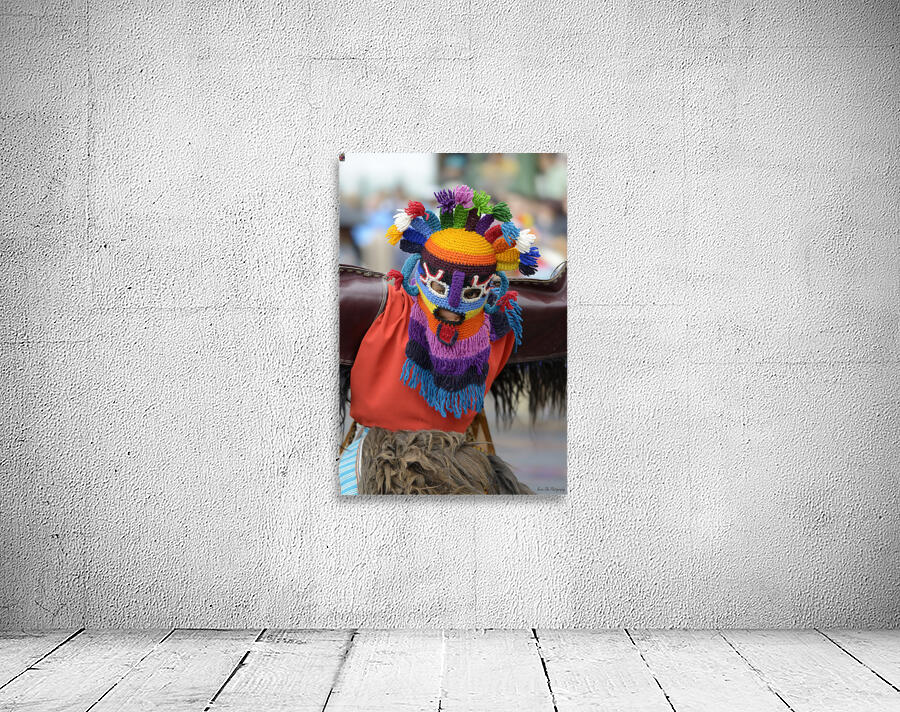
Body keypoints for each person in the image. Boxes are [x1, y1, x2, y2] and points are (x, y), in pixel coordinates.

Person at [338, 185, 549, 495]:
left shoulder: (391, 305)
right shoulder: (498, 326)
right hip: (439, 460)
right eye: (441, 287)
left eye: (468, 294)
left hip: (395, 458)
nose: (451, 310)